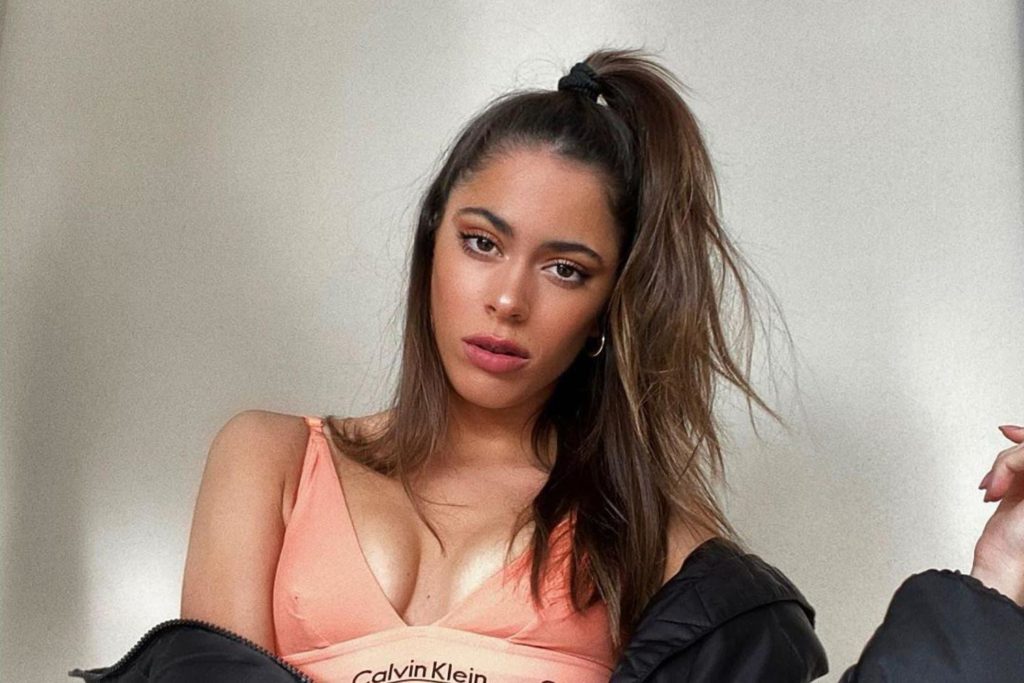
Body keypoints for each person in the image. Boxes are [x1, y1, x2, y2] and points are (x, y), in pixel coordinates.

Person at [167, 48, 1023, 682]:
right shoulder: (273, 459)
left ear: (609, 306)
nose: (508, 299)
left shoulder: (644, 530)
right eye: (481, 242)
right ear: (432, 245)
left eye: (566, 269)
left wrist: (1000, 574)